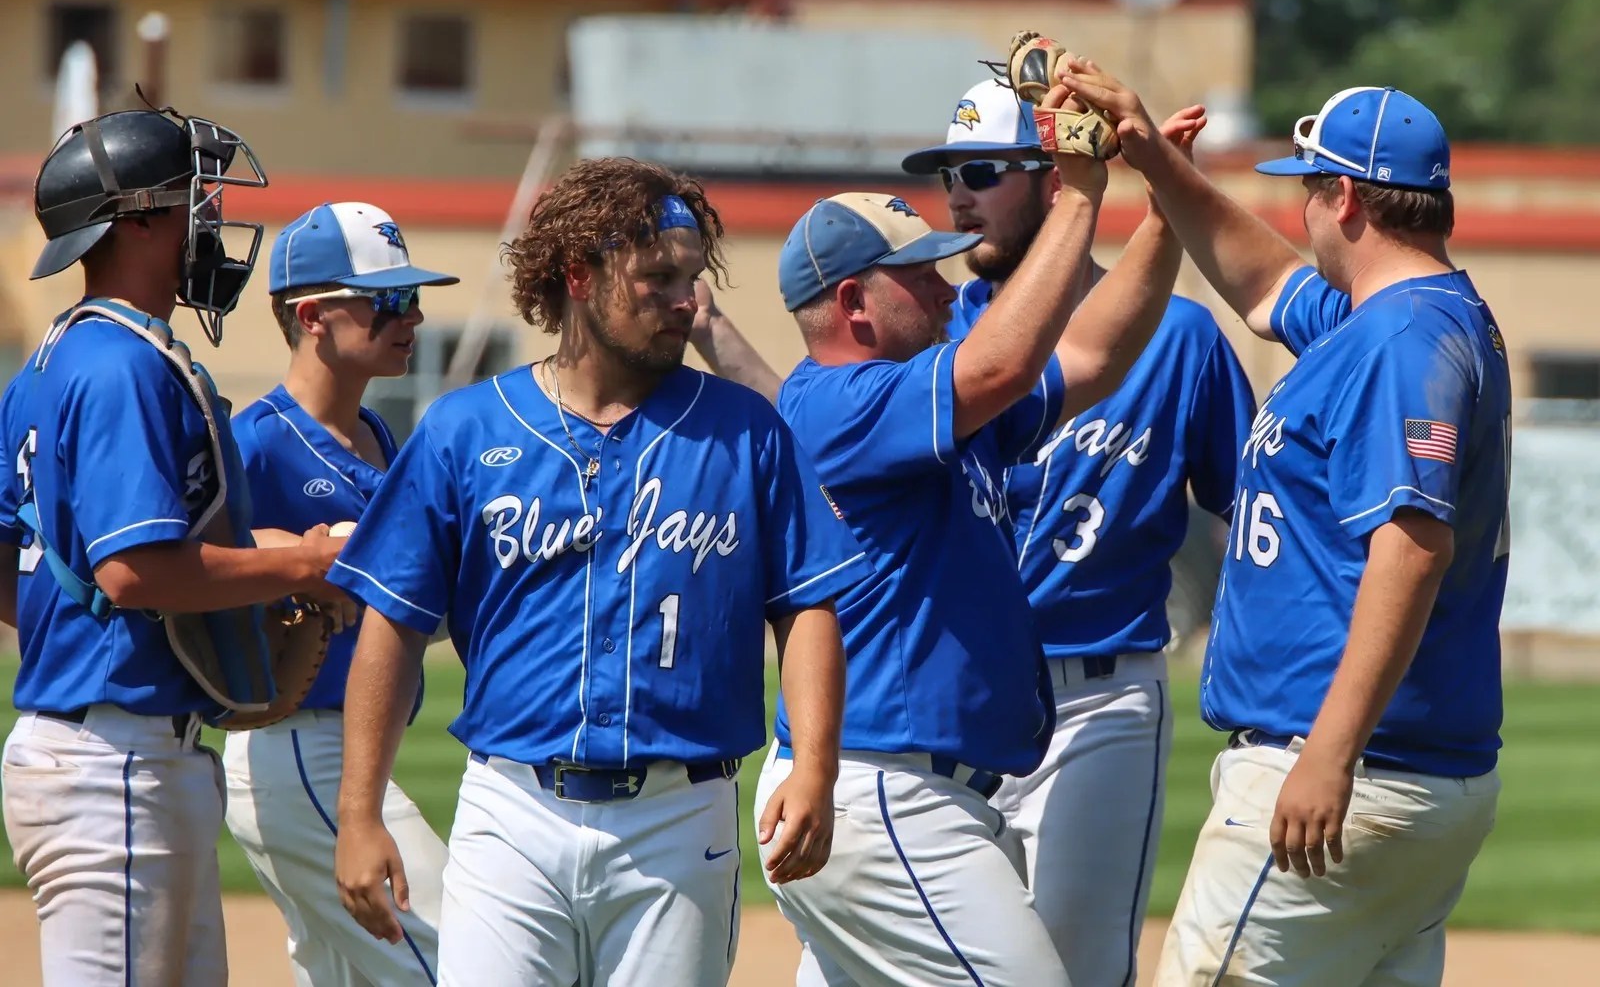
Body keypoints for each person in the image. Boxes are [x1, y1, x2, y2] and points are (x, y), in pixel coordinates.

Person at [326, 157, 868, 986]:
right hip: (511, 811)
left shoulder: (746, 431)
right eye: (657, 277)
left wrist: (817, 769)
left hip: (681, 818)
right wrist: (359, 812)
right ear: (578, 276)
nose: (685, 300)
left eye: (691, 278)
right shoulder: (464, 430)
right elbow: (393, 626)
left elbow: (808, 608)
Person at [1059, 63, 1511, 985]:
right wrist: (1155, 158)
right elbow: (1264, 286)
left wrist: (1329, 754)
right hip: (1420, 776)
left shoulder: (1402, 343)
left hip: (1347, 765)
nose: (1300, 211)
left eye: (1307, 190)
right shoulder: (1400, 316)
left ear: (1343, 196)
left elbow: (1412, 548)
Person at [753, 77, 1197, 986]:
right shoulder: (839, 404)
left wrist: (1168, 208)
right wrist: (1079, 192)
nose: (946, 281)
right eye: (920, 272)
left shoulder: (925, 408)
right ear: (855, 306)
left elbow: (1093, 353)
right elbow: (1000, 361)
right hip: (886, 793)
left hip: (912, 792)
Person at [895, 76, 1257, 985]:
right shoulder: (939, 340)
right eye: (951, 174)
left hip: (1099, 697)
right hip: (953, 696)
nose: (960, 194)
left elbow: (1252, 515)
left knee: (1077, 970)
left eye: (985, 169)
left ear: (1059, 182)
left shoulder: (1180, 341)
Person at [0, 107, 347, 985]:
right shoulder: (121, 365)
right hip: (114, 764)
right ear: (140, 218)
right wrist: (299, 564)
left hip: (111, 750)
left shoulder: (54, 360)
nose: (211, 219)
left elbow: (23, 565)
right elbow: (132, 570)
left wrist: (88, 619)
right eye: (196, 197)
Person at [222, 202, 459, 985]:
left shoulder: (379, 438)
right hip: (295, 744)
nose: (413, 316)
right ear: (313, 316)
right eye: (387, 301)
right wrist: (283, 555)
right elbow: (182, 559)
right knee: (468, 966)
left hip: (348, 752)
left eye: (412, 298)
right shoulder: (254, 441)